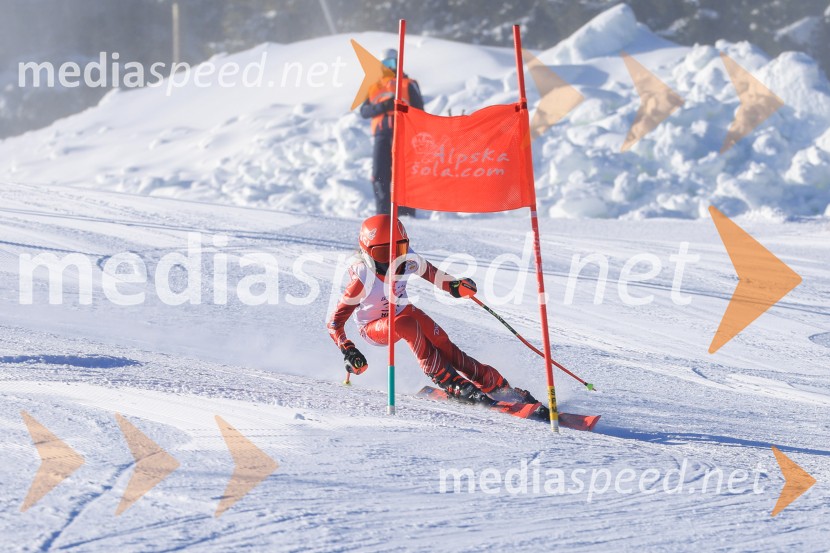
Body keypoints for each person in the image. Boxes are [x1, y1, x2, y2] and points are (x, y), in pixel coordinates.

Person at [327, 214, 540, 405]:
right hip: (374, 327)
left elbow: (435, 276)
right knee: (405, 324)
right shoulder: (363, 278)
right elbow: (334, 323)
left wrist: (455, 286)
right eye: (384, 253)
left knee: (444, 344)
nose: (393, 259)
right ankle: (449, 380)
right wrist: (349, 349)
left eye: (399, 249)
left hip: (402, 311)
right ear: (368, 253)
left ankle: (496, 384)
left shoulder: (408, 260)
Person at [359, 49, 423, 217]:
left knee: (402, 174)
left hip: (403, 133)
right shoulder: (373, 86)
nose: (388, 67)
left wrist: (400, 108)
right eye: (384, 64)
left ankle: (405, 214)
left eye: (392, 63)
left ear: (398, 62)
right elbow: (364, 111)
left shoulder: (408, 83)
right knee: (379, 173)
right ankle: (383, 214)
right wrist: (383, 106)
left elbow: (419, 110)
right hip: (381, 133)